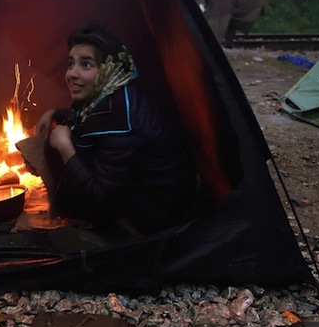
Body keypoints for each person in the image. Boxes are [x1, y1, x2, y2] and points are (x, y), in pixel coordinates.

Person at [35, 21, 198, 237]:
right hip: (160, 187)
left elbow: (101, 196)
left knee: (71, 163)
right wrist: (56, 112)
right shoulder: (116, 91)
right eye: (71, 64)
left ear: (108, 68)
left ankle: (130, 230)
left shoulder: (120, 120)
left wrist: (66, 148)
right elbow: (91, 116)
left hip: (162, 207)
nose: (71, 74)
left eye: (86, 65)